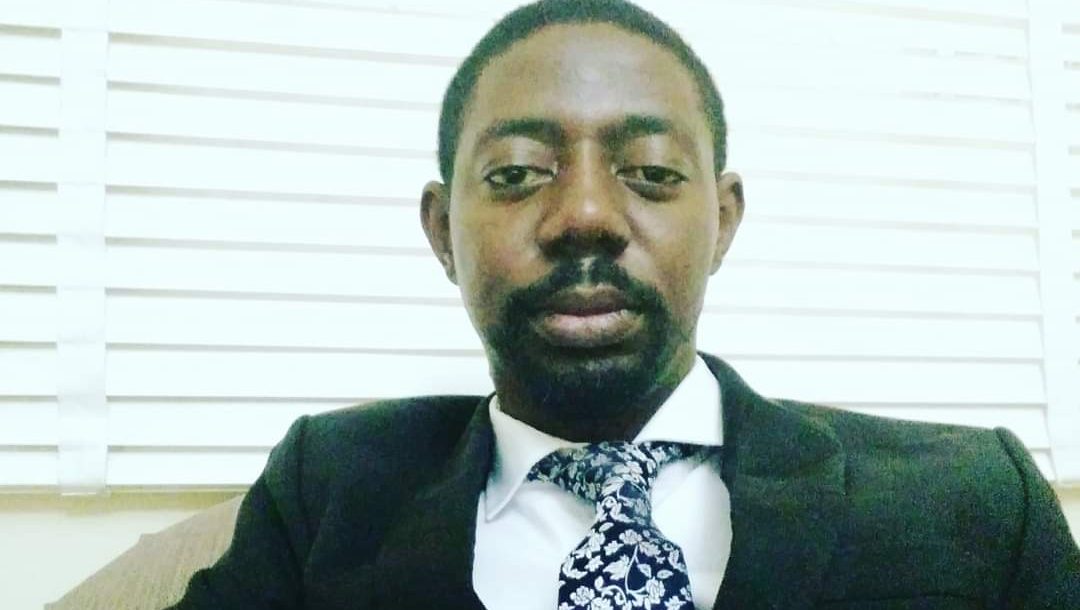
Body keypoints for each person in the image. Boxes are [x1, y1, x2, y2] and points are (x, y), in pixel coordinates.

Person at [168, 0, 1080, 608]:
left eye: (649, 172)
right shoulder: (329, 487)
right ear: (443, 231)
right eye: (517, 173)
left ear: (722, 221)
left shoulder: (971, 501)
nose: (586, 216)